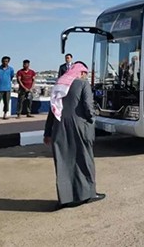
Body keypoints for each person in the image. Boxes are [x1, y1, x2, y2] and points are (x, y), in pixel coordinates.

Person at [44, 61, 105, 210]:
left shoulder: (60, 84)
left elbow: (52, 110)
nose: (85, 76)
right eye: (85, 73)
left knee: (64, 162)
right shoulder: (83, 84)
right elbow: (88, 107)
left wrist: (47, 132)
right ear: (82, 73)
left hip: (59, 127)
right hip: (79, 126)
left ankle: (66, 198)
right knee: (84, 159)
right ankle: (89, 194)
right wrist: (92, 120)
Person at [0, 56, 14, 120]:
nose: (5, 62)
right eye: (4, 61)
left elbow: (11, 77)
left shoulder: (11, 69)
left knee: (6, 102)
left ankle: (5, 114)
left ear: (8, 62)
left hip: (7, 88)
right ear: (1, 61)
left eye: (6, 61)